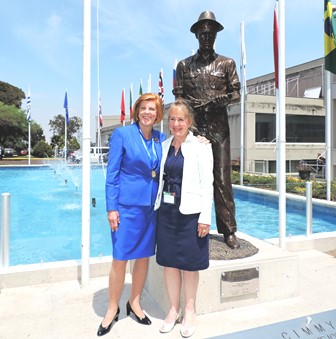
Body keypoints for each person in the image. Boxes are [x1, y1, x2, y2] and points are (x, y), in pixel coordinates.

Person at [97, 93, 165, 336]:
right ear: (137, 111)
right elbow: (112, 174)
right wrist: (111, 208)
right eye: (144, 108)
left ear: (158, 114)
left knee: (144, 257)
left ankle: (134, 303)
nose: (148, 112)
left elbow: (181, 145)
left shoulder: (161, 138)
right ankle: (112, 308)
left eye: (153, 109)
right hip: (125, 207)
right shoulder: (122, 135)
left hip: (151, 208)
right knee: (120, 258)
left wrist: (199, 141)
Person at [174, 11, 241, 249]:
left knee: (222, 179)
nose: (206, 37)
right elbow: (179, 98)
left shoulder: (227, 63)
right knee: (190, 177)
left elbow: (236, 94)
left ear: (215, 36)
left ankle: (228, 230)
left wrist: (220, 100)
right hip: (193, 129)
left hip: (218, 128)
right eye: (202, 33)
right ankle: (189, 225)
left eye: (210, 33)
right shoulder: (183, 66)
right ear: (196, 35)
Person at [154, 99, 214, 338]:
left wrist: (205, 218)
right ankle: (173, 309)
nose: (176, 123)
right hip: (167, 213)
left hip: (191, 214)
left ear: (189, 122)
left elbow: (207, 184)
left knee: (190, 265)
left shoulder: (200, 146)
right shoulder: (164, 144)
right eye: (172, 119)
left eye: (181, 119)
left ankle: (189, 310)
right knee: (169, 263)